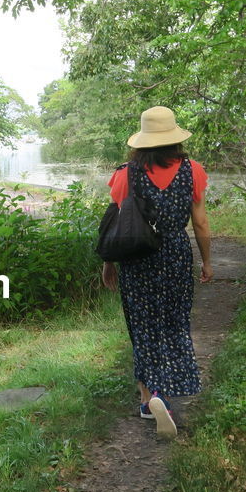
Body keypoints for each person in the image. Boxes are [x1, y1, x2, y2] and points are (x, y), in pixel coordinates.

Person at [101, 106, 212, 439]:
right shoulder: (193, 170)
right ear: (175, 138)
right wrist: (207, 261)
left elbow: (117, 224)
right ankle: (165, 390)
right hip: (177, 256)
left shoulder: (125, 174)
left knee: (142, 324)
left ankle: (149, 397)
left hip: (137, 258)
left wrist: (108, 262)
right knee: (174, 323)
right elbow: (201, 223)